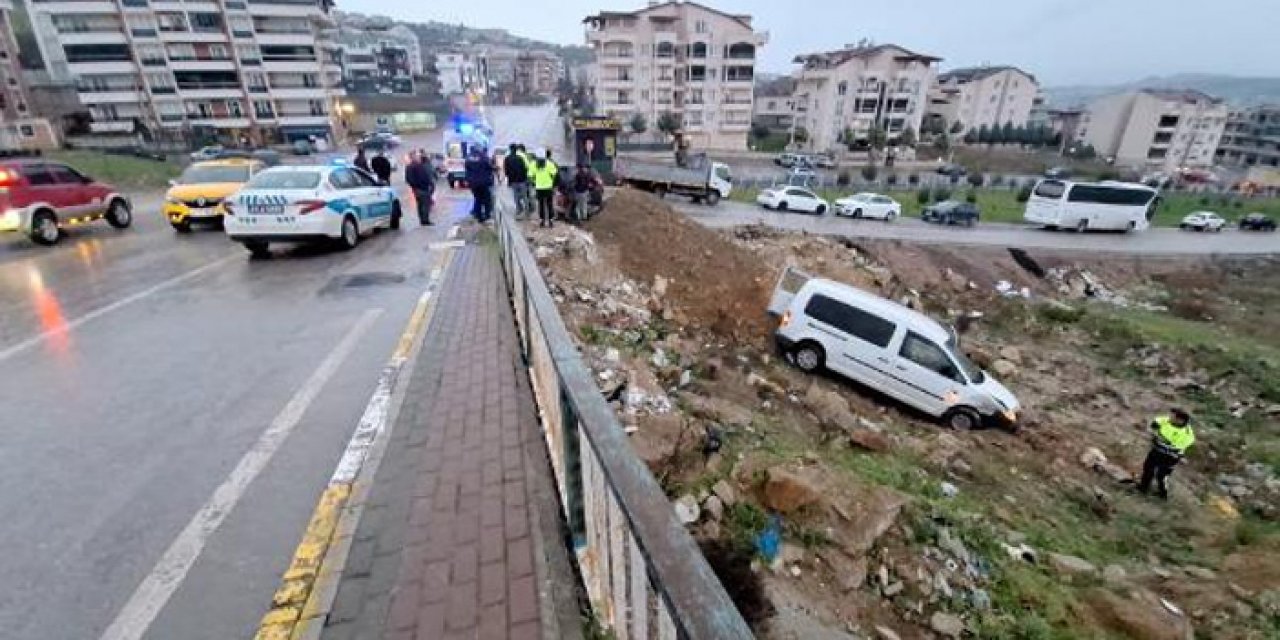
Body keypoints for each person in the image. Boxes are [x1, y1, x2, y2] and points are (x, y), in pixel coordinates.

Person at [1137, 409, 1195, 500]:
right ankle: (1143, 488)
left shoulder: (1187, 434)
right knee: (1148, 468)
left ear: (1181, 420)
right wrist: (1153, 431)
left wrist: (1159, 439)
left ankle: (1163, 493)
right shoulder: (1167, 420)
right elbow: (1156, 423)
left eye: (1174, 417)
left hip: (1171, 456)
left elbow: (1175, 447)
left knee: (1162, 475)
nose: (1171, 417)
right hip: (1157, 450)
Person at [464, 147, 495, 223]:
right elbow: (489, 167)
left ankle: (478, 216)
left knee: (478, 199)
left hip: (473, 183)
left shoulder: (468, 158)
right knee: (487, 199)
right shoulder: (484, 158)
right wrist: (495, 168)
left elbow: (467, 169)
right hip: (483, 182)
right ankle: (487, 216)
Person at [405, 150, 435, 226]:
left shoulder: (413, 166)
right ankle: (425, 220)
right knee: (424, 204)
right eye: (417, 156)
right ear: (413, 157)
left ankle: (423, 219)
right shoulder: (415, 166)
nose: (419, 157)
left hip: (418, 188)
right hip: (421, 188)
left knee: (421, 204)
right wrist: (420, 185)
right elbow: (411, 179)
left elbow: (409, 179)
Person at [530, 149, 558, 228]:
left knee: (541, 204)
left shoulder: (533, 164)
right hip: (548, 187)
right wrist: (552, 181)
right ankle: (550, 221)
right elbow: (554, 173)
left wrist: (534, 182)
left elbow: (530, 175)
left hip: (539, 187)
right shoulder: (549, 164)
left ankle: (542, 221)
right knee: (549, 204)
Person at [503, 143, 530, 218]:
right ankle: (527, 211)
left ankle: (519, 209)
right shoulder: (520, 158)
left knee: (516, 196)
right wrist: (525, 178)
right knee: (525, 196)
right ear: (516, 150)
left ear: (510, 149)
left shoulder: (507, 159)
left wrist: (509, 179)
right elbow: (524, 169)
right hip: (522, 179)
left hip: (513, 180)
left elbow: (506, 171)